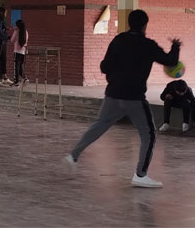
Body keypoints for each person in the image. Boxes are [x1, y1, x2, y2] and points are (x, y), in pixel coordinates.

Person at [64, 10, 180, 188]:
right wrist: (176, 47)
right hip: (134, 97)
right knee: (148, 134)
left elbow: (104, 66)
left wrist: (115, 75)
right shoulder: (147, 45)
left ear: (128, 23)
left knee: (98, 126)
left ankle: (73, 155)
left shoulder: (118, 40)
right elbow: (170, 61)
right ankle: (140, 175)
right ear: (144, 25)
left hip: (112, 95)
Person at [9, 19, 28, 87]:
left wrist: (14, 31)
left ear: (17, 25)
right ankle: (24, 78)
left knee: (16, 67)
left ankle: (16, 81)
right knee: (20, 66)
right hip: (23, 51)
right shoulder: (26, 32)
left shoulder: (16, 31)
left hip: (17, 51)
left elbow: (12, 40)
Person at [0, 7, 11, 84]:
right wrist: (7, 36)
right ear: (1, 12)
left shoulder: (2, 20)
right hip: (0, 41)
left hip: (3, 41)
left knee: (3, 59)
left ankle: (4, 77)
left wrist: (6, 29)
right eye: (5, 12)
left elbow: (2, 29)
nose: (6, 14)